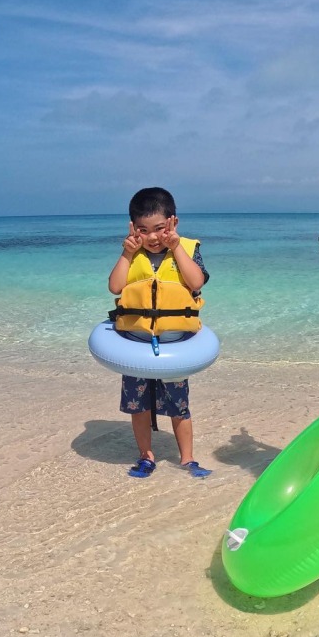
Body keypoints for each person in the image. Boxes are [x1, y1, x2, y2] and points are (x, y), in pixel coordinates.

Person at [108, 187, 212, 478]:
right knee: (138, 407)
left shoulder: (188, 250)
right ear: (132, 228)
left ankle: (188, 459)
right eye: (143, 230)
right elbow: (115, 287)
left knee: (180, 407)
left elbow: (196, 281)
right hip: (136, 346)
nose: (152, 237)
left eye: (159, 229)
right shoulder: (132, 254)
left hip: (174, 347)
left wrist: (177, 246)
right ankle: (146, 456)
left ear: (173, 223)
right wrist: (127, 253)